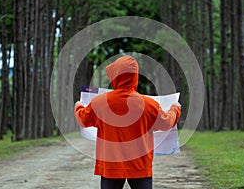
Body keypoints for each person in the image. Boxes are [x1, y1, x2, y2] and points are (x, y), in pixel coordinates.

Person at [74, 56, 181, 189]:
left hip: (110, 166)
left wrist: (78, 106)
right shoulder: (150, 105)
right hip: (140, 166)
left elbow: (83, 120)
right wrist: (175, 109)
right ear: (135, 77)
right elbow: (167, 123)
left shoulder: (99, 103)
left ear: (115, 77)